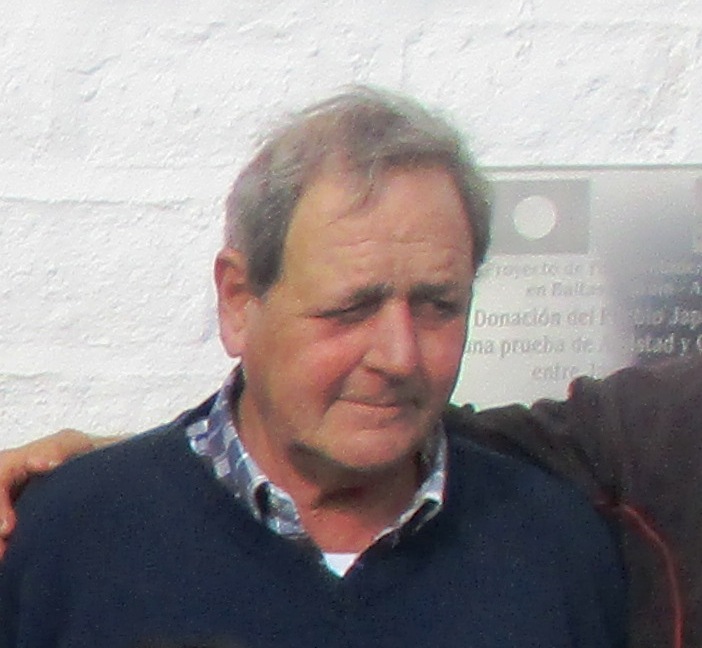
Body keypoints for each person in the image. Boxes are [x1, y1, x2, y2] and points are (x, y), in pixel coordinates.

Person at [0, 87, 626, 648]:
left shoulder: (556, 550)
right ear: (239, 300)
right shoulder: (70, 541)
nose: (400, 356)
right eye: (351, 309)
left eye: (438, 306)